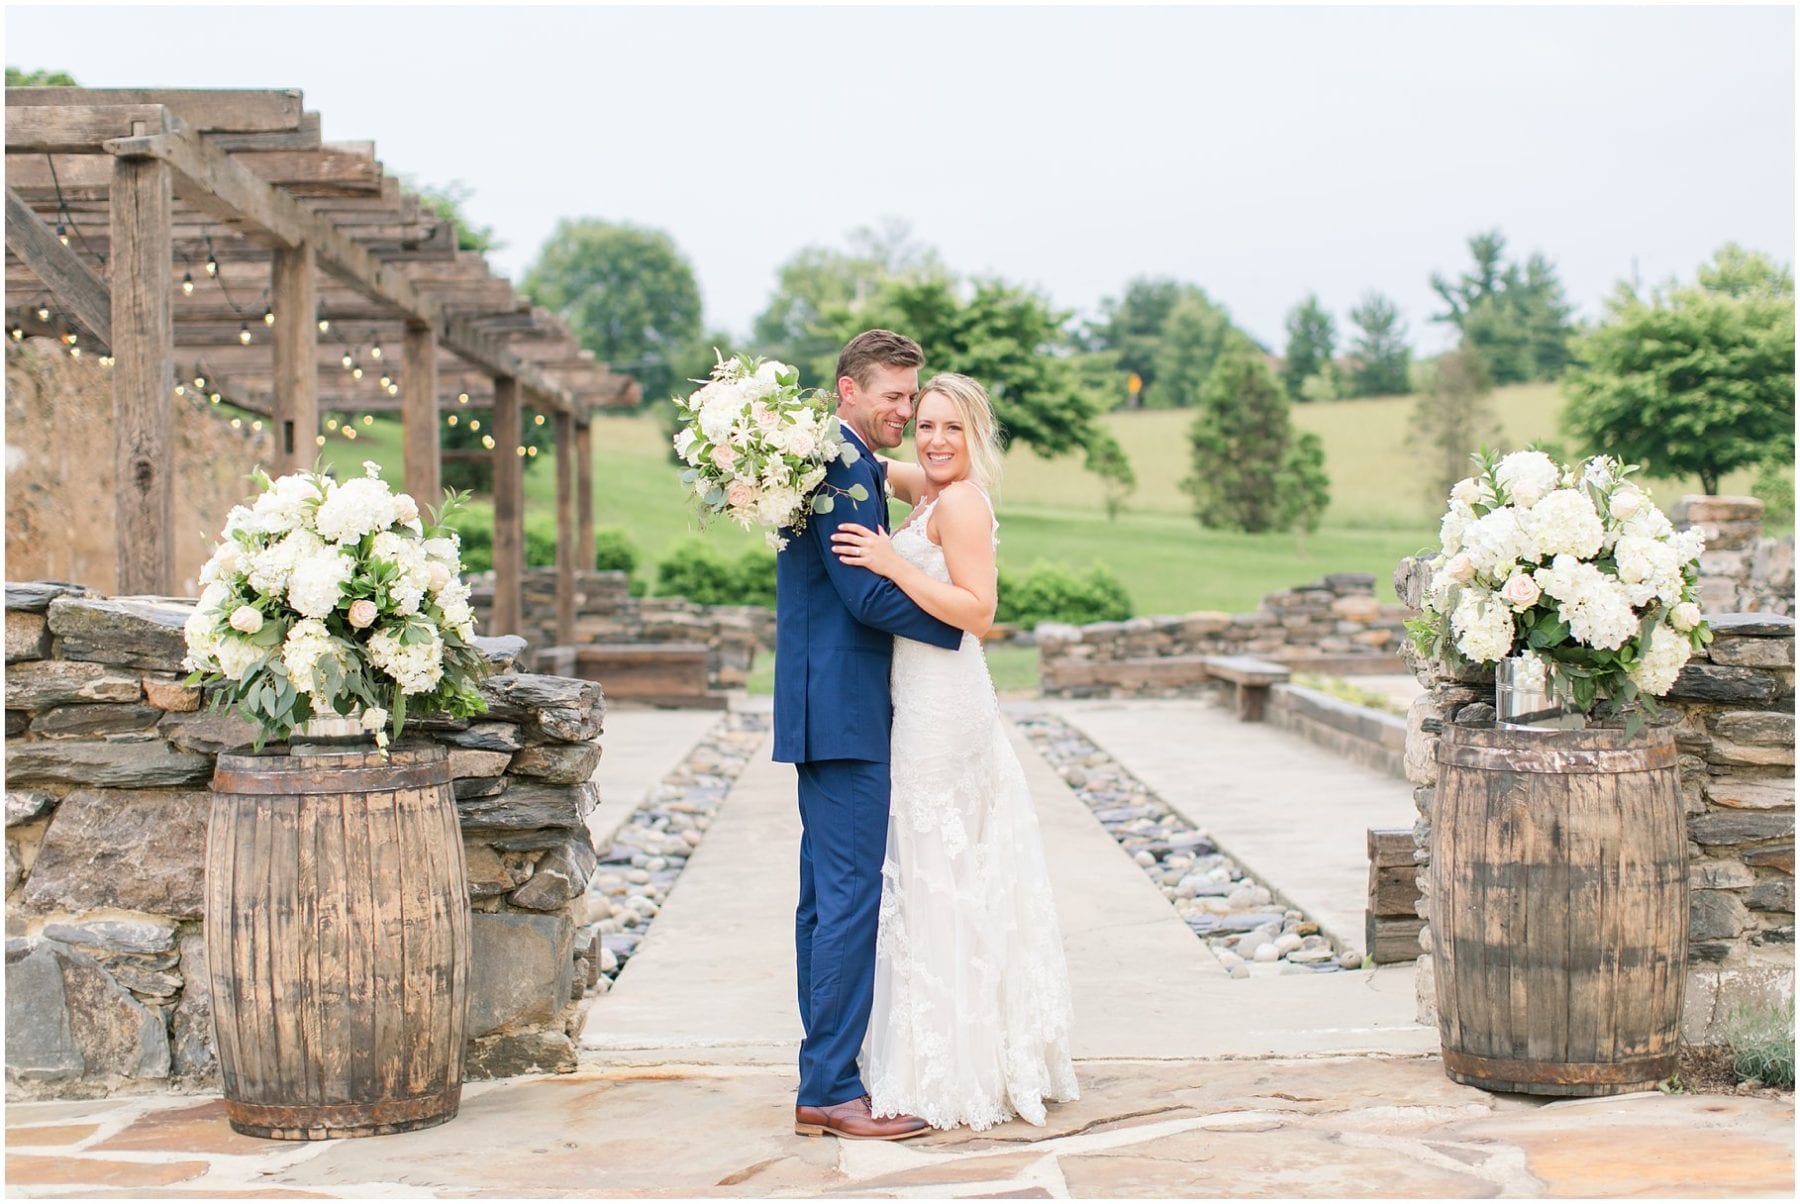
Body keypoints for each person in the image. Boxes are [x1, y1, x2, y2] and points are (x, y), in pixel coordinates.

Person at [831, 372, 1080, 1132]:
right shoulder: (931, 490)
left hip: (946, 701)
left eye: (952, 428)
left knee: (938, 863)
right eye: (926, 424)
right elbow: (861, 457)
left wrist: (894, 563)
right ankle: (948, 1048)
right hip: (918, 696)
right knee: (935, 863)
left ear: (976, 436)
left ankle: (958, 1066)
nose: (934, 440)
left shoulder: (963, 502)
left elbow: (980, 612)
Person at [774, 330, 965, 1141]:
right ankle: (832, 1088)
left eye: (910, 397)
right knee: (847, 902)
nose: (904, 410)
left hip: (822, 704)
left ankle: (824, 1071)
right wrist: (964, 627)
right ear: (848, 391)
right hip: (847, 710)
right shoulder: (843, 466)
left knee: (824, 901)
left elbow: (938, 477)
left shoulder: (836, 458)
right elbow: (862, 596)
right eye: (892, 396)